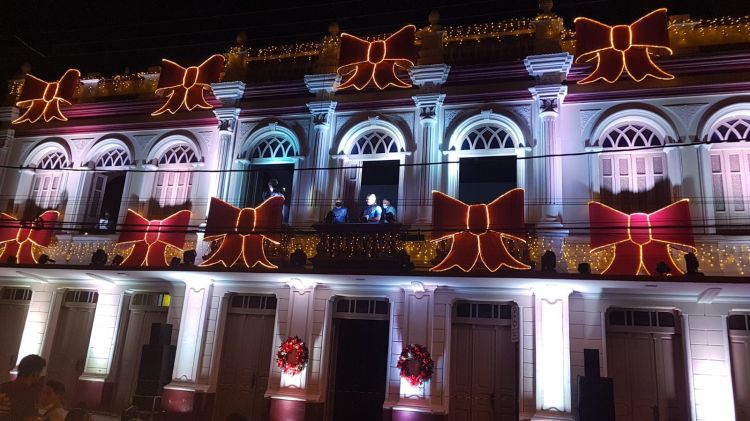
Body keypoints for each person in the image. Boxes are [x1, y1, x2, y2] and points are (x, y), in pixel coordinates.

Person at [0, 354, 46, 421]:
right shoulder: (29, 394)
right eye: (40, 372)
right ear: (35, 373)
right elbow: (30, 419)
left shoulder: (3, 386)